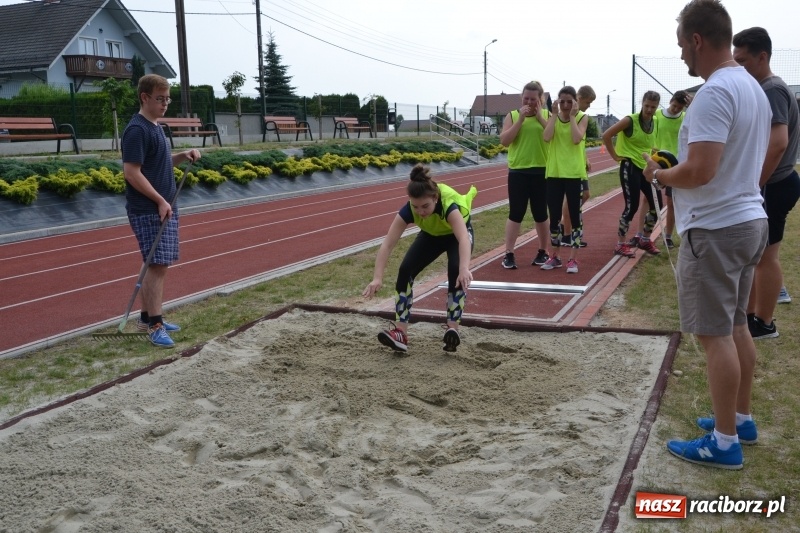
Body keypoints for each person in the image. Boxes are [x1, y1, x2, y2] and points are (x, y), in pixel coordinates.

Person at [641, 0, 770, 469]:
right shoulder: (752, 87)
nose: (680, 56)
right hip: (748, 219)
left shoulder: (715, 92)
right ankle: (739, 418)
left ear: (697, 40)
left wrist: (660, 175)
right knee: (735, 326)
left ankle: (724, 441)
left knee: (714, 335)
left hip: (717, 227)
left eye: (681, 45)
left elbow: (700, 170)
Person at [122, 74, 201, 348]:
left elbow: (159, 161)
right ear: (145, 97)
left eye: (168, 99)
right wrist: (158, 200)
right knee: (156, 265)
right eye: (160, 99)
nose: (165, 104)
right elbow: (132, 172)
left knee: (156, 263)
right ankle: (155, 325)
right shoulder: (137, 130)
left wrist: (182, 155)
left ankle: (148, 318)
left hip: (164, 206)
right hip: (149, 209)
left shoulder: (157, 127)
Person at [363, 164, 476, 353]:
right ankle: (400, 333)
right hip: (431, 235)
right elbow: (387, 244)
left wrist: (464, 268)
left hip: (456, 236)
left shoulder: (449, 206)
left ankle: (452, 329)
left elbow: (463, 238)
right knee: (405, 270)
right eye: (416, 207)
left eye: (425, 206)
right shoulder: (408, 210)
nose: (421, 212)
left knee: (456, 270)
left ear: (435, 198)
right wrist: (377, 277)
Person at [733, 27, 800, 340]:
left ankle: (765, 322)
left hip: (775, 183)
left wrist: (754, 184)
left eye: (743, 61)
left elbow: (778, 143)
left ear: (762, 57)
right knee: (756, 256)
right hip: (774, 183)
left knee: (766, 257)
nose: (738, 67)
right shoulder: (764, 88)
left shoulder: (771, 89)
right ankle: (751, 316)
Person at [602, 91, 663, 258]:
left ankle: (645, 239)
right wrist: (615, 156)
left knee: (657, 204)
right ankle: (620, 244)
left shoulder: (655, 121)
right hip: (630, 166)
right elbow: (606, 135)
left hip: (646, 168)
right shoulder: (630, 120)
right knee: (632, 206)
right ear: (641, 103)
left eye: (653, 107)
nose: (649, 110)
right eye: (646, 106)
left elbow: (649, 144)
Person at [498, 81, 551, 269]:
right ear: (521, 98)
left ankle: (543, 251)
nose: (529, 102)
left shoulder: (548, 116)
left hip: (542, 171)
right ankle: (509, 253)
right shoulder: (512, 116)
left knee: (540, 213)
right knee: (516, 213)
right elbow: (504, 141)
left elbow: (553, 137)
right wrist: (520, 120)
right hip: (518, 172)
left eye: (533, 99)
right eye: (526, 98)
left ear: (540, 99)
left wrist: (539, 118)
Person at [541, 86, 590, 273]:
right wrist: (554, 115)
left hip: (574, 174)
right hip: (554, 173)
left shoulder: (582, 118)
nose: (566, 105)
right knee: (554, 217)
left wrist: (572, 117)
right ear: (557, 102)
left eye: (570, 102)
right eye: (562, 102)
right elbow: (546, 137)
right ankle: (555, 256)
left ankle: (573, 259)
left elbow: (577, 138)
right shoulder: (553, 117)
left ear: (575, 102)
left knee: (575, 217)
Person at [560, 85, 596, 248]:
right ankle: (566, 233)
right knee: (571, 200)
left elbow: (580, 141)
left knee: (585, 195)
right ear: (579, 99)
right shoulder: (569, 117)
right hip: (570, 165)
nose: (589, 106)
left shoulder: (582, 117)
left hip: (580, 164)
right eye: (587, 102)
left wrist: (586, 157)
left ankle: (564, 224)